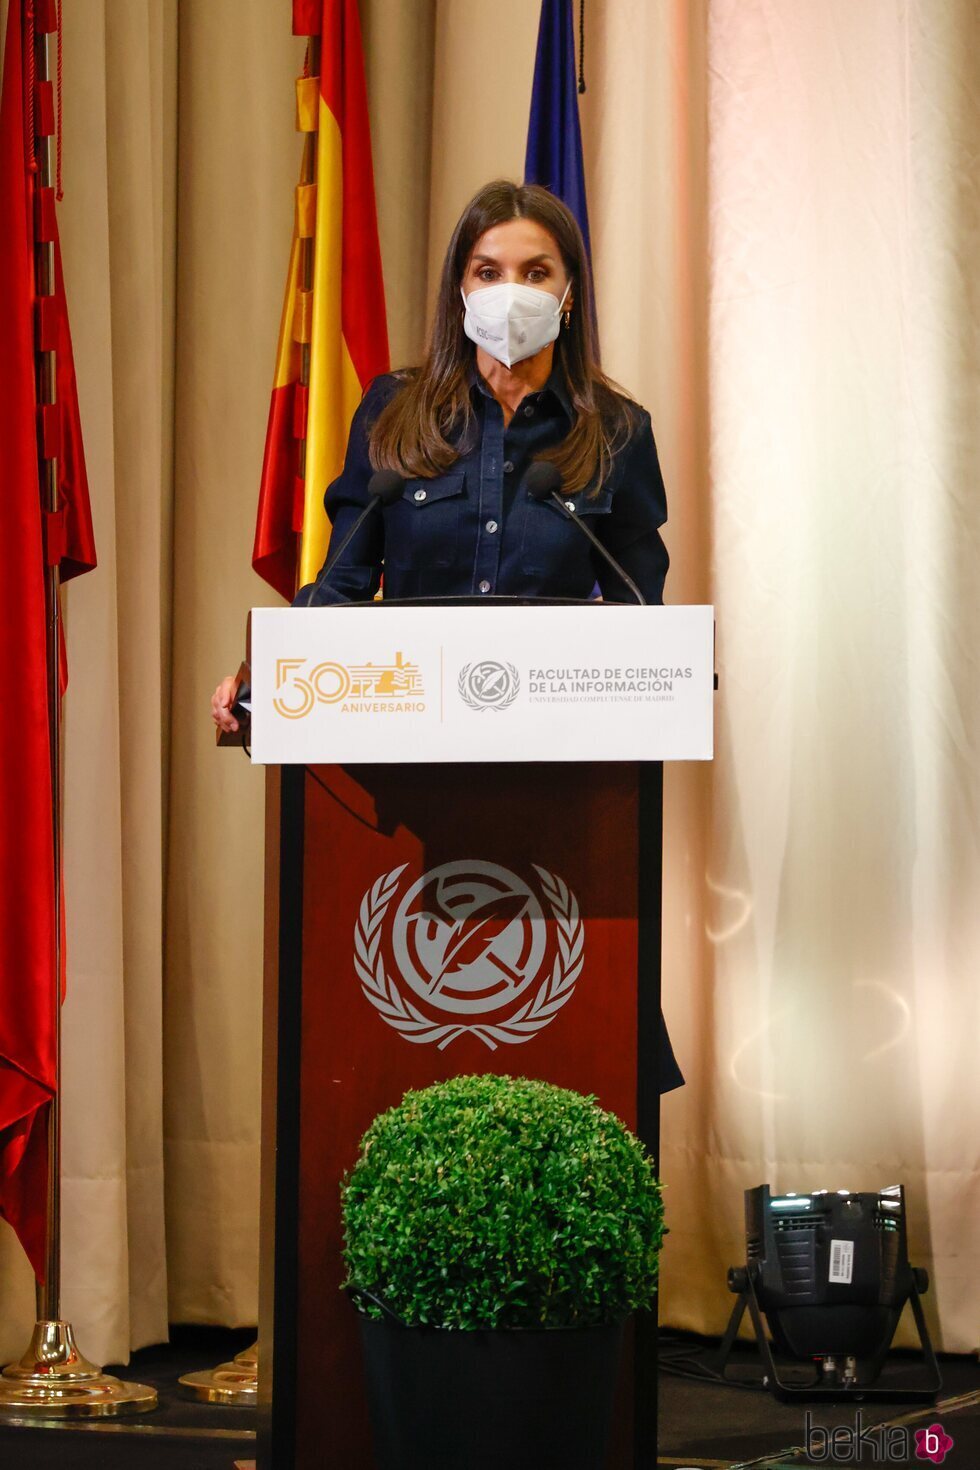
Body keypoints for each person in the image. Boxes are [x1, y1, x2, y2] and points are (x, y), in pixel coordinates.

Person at [211, 179, 682, 1090]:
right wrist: (262, 680)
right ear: (460, 290)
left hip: (563, 791)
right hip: (409, 793)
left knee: (580, 1030)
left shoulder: (616, 432)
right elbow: (342, 586)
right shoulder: (396, 416)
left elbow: (639, 610)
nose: (513, 290)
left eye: (536, 271)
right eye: (489, 270)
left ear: (570, 290)